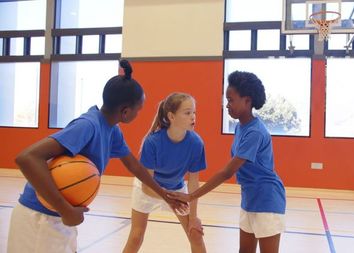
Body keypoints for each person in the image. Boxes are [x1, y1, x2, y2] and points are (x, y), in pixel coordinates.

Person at [7, 60, 186, 253]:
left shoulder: (112, 129)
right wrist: (64, 209)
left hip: (59, 216)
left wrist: (164, 195)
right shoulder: (88, 125)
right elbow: (27, 158)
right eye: (138, 109)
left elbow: (134, 166)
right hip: (39, 218)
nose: (138, 113)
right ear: (125, 111)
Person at [169, 71, 286, 253]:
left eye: (231, 100)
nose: (227, 105)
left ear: (247, 101)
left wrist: (191, 196)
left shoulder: (255, 132)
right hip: (250, 199)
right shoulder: (241, 127)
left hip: (267, 200)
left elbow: (227, 172)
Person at [123, 92, 207, 253]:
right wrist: (168, 199)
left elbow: (193, 183)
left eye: (194, 112)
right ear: (171, 116)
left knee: (195, 234)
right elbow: (147, 185)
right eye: (187, 112)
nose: (193, 117)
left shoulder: (196, 143)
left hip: (176, 190)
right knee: (136, 237)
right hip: (148, 189)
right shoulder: (152, 142)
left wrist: (194, 217)